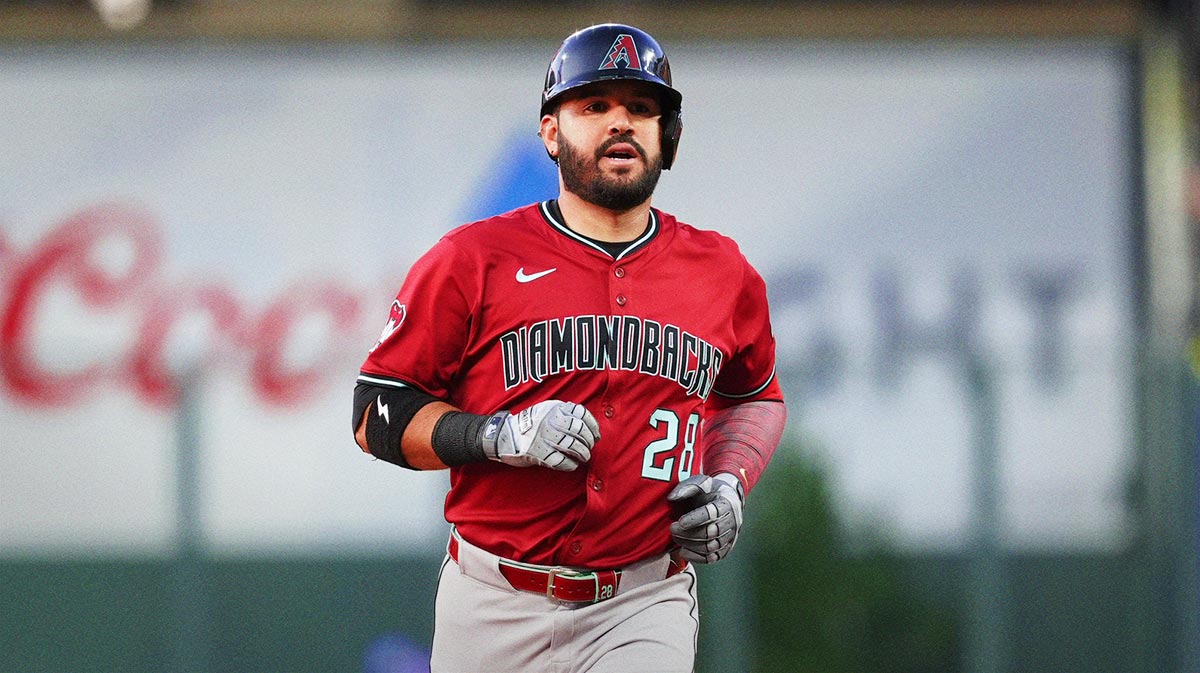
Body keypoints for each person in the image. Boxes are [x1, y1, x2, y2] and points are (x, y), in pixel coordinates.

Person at [352, 23, 786, 673]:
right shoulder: (473, 259)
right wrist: (496, 435)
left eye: (641, 108)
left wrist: (729, 480)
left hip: (642, 601)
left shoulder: (722, 271)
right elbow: (375, 411)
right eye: (594, 105)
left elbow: (755, 396)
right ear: (552, 133)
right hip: (491, 598)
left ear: (669, 136)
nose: (621, 121)